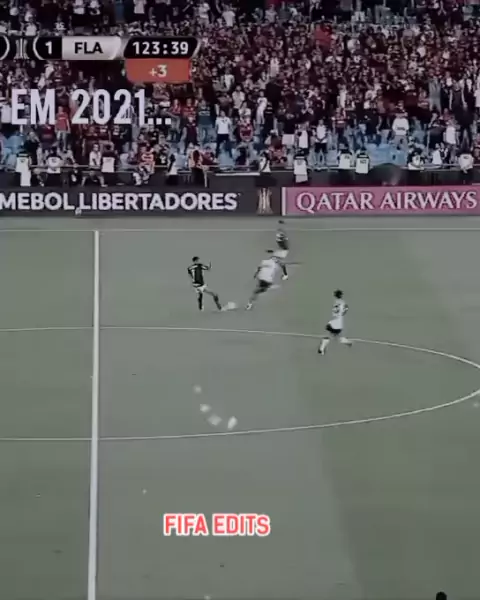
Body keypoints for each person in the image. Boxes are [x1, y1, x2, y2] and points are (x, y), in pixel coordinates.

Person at [318, 290, 353, 355]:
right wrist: (343, 313)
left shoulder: (335, 302)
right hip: (338, 324)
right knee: (335, 336)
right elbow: (345, 309)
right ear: (341, 295)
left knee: (332, 336)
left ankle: (321, 349)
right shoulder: (343, 302)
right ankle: (348, 342)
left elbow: (335, 312)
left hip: (333, 323)